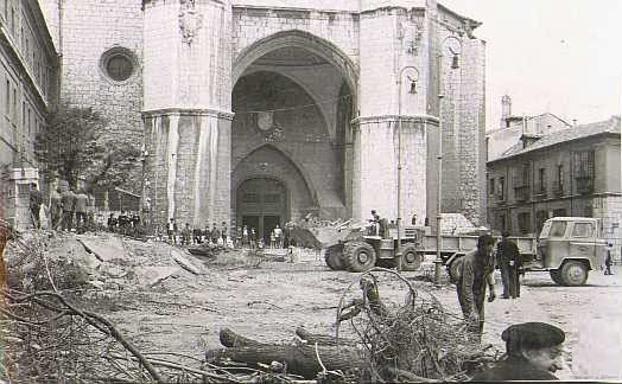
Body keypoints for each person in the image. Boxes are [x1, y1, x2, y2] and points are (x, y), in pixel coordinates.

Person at [471, 322, 566, 381]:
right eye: (553, 354)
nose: (560, 366)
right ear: (526, 352)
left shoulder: (482, 378)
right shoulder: (545, 380)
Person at [457, 234, 497, 340]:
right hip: (465, 289)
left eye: (490, 251)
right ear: (479, 248)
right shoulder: (469, 260)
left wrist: (492, 288)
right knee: (472, 319)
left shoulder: (491, 255)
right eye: (486, 252)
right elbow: (466, 287)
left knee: (481, 320)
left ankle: (477, 343)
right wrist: (471, 309)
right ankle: (472, 347)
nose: (488, 254)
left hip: (480, 286)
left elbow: (489, 272)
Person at [497, 231, 521, 298]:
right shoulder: (513, 244)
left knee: (505, 278)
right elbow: (517, 254)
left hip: (504, 262)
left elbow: (499, 254)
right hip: (512, 262)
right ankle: (514, 294)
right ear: (509, 236)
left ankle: (506, 294)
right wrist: (515, 261)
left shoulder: (500, 244)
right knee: (513, 278)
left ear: (502, 237)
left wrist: (498, 263)